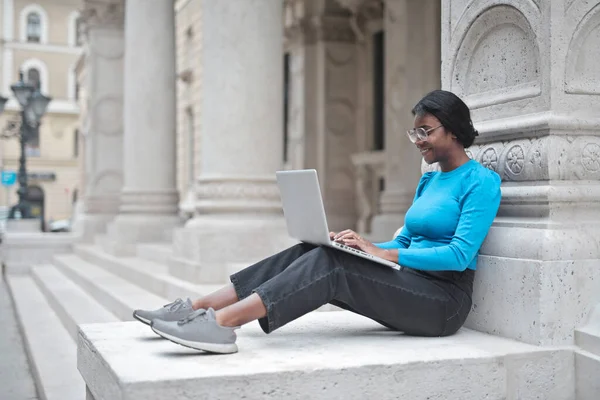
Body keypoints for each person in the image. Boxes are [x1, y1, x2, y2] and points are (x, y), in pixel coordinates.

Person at [133, 90, 502, 354]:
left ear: (453, 129)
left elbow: (457, 255)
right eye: (414, 132)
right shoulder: (429, 179)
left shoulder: (481, 182)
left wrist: (383, 255)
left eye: (426, 131)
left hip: (441, 302)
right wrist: (360, 245)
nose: (418, 140)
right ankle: (198, 308)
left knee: (331, 265)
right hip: (409, 284)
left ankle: (222, 325)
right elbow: (403, 243)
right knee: (318, 249)